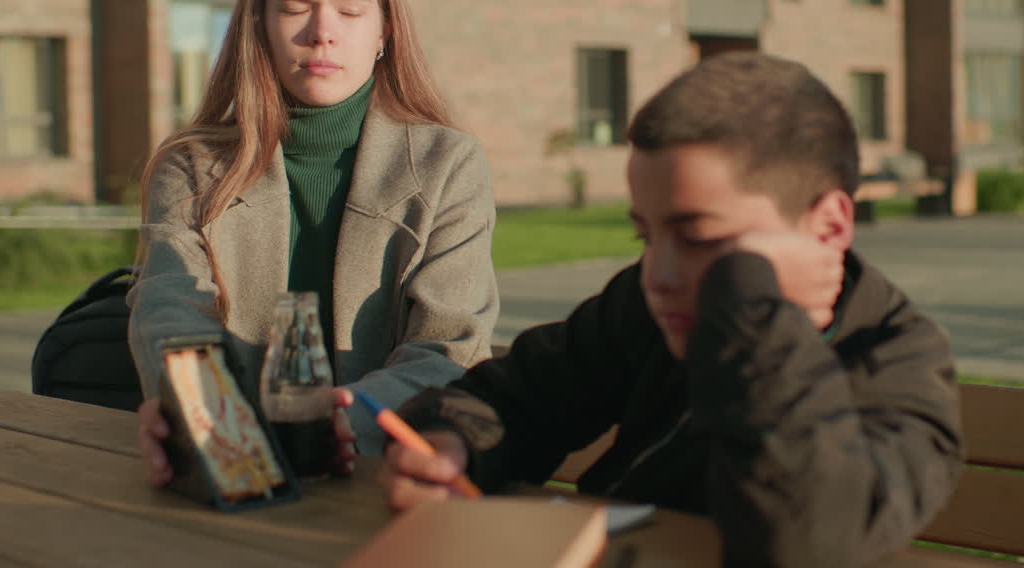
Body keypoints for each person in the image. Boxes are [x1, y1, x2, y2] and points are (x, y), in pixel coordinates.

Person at [379, 52, 964, 567]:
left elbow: (806, 537)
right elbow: (519, 396)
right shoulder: (647, 305)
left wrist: (747, 303)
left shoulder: (899, 364)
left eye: (702, 239)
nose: (658, 276)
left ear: (830, 226)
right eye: (645, 237)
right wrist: (450, 445)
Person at [129, 0, 498, 484]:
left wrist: (356, 418)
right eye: (295, 7)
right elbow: (170, 309)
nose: (322, 32)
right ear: (259, 26)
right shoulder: (192, 166)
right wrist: (197, 407)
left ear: (384, 32)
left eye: (350, 10)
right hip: (233, 469)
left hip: (383, 476)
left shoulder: (448, 165)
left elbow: (449, 342)